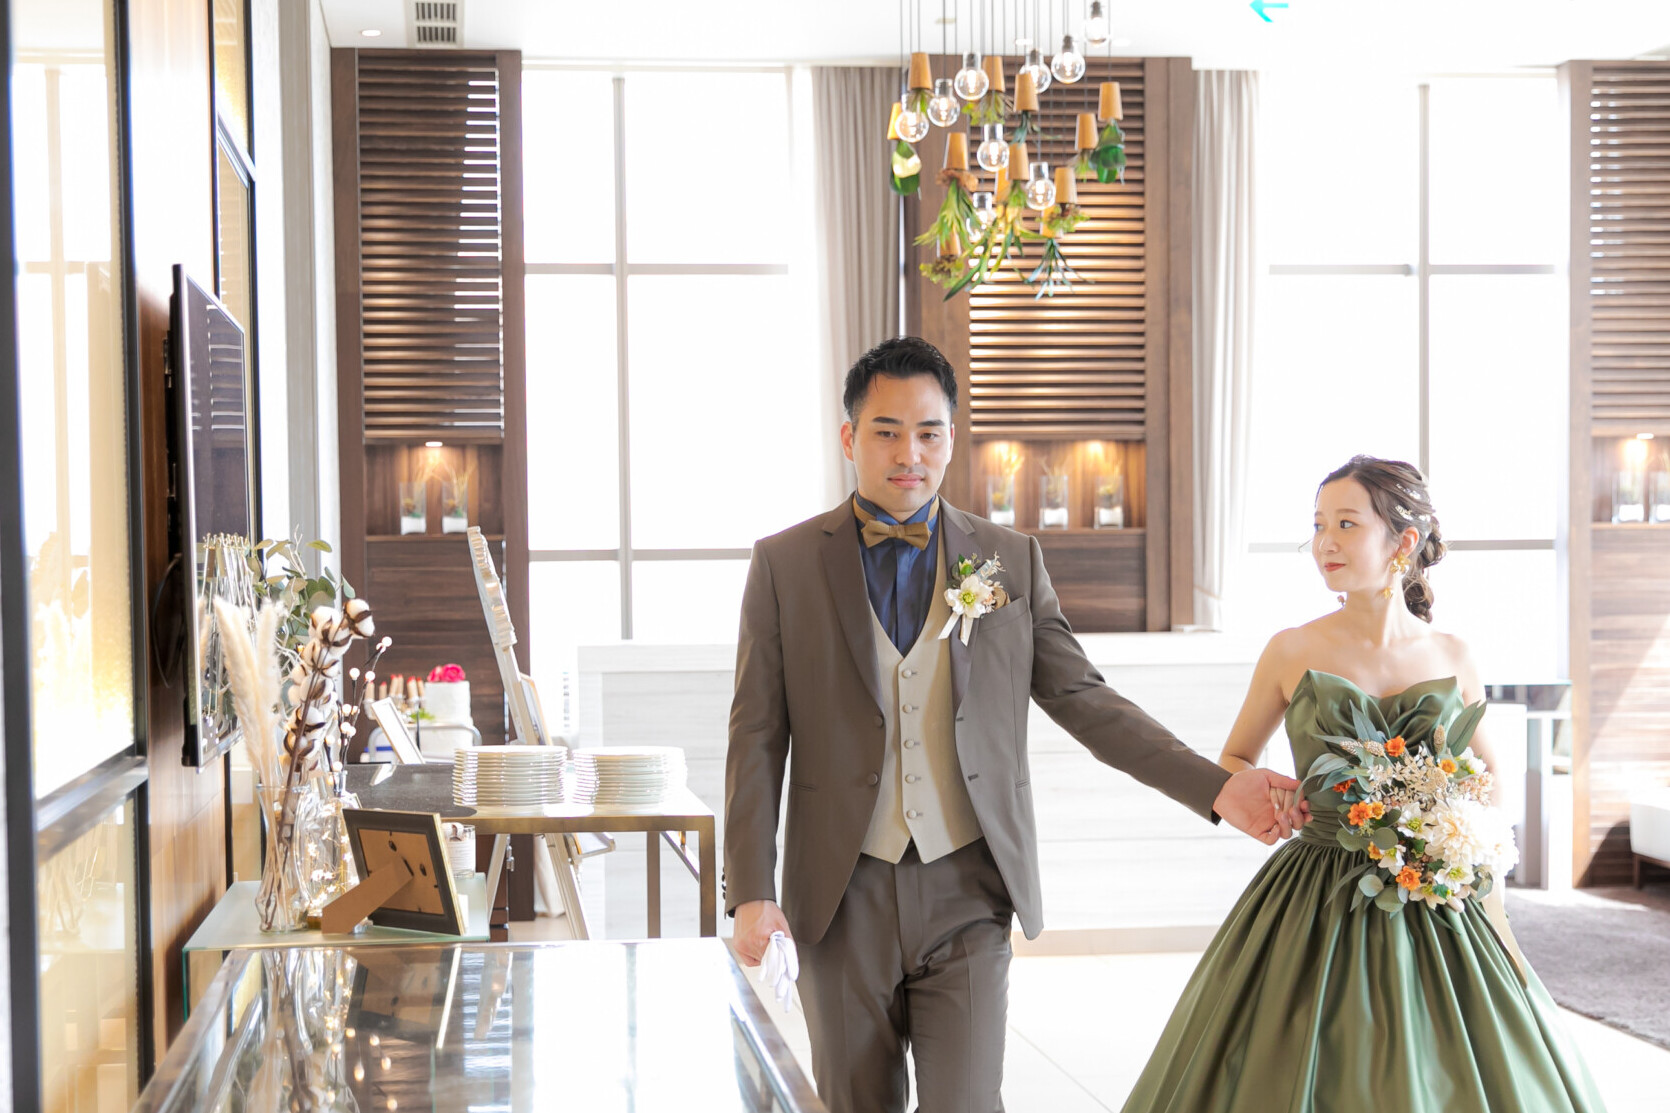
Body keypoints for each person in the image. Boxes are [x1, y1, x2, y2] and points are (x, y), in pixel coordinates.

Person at [724, 336, 1308, 1113]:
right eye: (887, 431)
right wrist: (751, 889)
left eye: (928, 432)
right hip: (840, 891)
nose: (909, 453)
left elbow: (1087, 701)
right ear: (849, 437)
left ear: (951, 439)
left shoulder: (1009, 558)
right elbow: (756, 736)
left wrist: (1218, 788)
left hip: (968, 886)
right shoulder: (784, 564)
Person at [1119, 454, 1606, 1113]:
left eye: (1346, 524)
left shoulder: (1453, 654)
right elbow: (1235, 757)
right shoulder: (1291, 649)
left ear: (1403, 541)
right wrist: (1273, 796)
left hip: (1432, 891)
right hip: (1317, 889)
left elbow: (1490, 775)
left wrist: (1458, 840)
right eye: (1318, 525)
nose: (1325, 542)